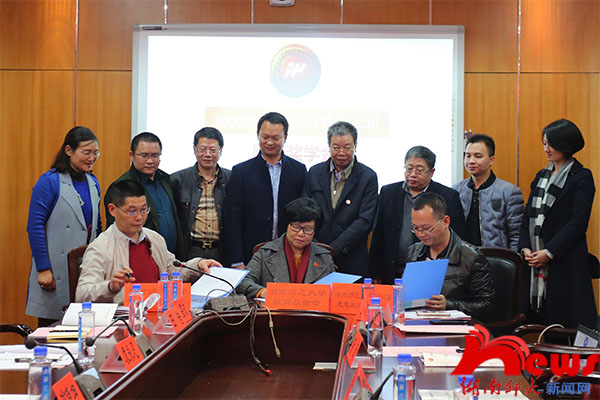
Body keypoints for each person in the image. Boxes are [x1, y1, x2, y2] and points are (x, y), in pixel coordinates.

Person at [76, 180, 221, 304]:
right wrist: (110, 287)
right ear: (112, 210)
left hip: (160, 314)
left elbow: (172, 272)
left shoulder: (154, 238)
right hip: (124, 319)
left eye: (144, 210)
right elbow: (82, 294)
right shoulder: (100, 247)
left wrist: (198, 265)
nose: (139, 217)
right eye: (132, 211)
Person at [519, 119, 597, 329]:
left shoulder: (581, 177)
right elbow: (527, 216)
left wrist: (549, 252)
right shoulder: (541, 176)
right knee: (534, 324)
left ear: (566, 143)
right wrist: (525, 248)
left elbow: (577, 223)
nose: (547, 148)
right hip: (534, 262)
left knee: (565, 326)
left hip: (566, 262)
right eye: (544, 143)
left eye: (551, 144)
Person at [26, 127, 102, 326]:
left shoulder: (93, 182)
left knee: (85, 328)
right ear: (69, 150)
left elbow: (97, 226)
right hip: (54, 270)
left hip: (84, 269)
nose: (92, 158)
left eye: (96, 153)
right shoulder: (50, 181)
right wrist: (43, 268)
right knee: (52, 331)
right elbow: (35, 226)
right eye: (86, 152)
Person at [370, 146, 466, 284]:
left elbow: (458, 237)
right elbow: (378, 234)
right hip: (391, 270)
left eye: (419, 170)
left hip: (430, 271)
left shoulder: (448, 196)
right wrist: (375, 271)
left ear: (431, 172)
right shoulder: (388, 192)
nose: (413, 174)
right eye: (409, 169)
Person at [224, 112, 307, 267]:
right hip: (250, 255)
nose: (270, 142)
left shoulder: (299, 170)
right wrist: (237, 261)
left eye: (276, 138)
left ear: (285, 137)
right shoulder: (241, 171)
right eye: (265, 137)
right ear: (258, 135)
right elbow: (233, 219)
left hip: (289, 254)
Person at [405, 192, 495, 320]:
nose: (420, 234)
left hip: (456, 326)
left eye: (426, 228)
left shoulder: (471, 257)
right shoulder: (414, 252)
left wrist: (448, 305)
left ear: (445, 222)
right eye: (416, 228)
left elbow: (486, 305)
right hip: (418, 322)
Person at [305, 121, 378, 276]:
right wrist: (317, 248)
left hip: (352, 258)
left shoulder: (368, 177)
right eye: (336, 147)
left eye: (347, 147)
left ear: (355, 146)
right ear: (329, 146)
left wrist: (333, 250)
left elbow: (365, 220)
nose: (341, 152)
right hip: (315, 256)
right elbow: (305, 210)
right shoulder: (314, 172)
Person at [236, 198, 335, 299]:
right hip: (274, 308)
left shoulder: (324, 257)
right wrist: (262, 292)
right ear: (287, 225)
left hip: (311, 308)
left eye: (308, 229)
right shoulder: (265, 253)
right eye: (296, 227)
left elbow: (334, 289)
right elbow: (243, 281)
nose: (301, 234)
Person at [104, 132, 183, 257]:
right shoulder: (121, 186)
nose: (150, 161)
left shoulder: (167, 180)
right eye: (144, 155)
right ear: (132, 156)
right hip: (139, 256)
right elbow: (114, 230)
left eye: (155, 156)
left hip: (171, 257)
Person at [453, 134, 524, 251]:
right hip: (463, 257)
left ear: (491, 160)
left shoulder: (509, 192)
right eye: (468, 156)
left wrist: (513, 260)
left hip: (495, 257)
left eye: (478, 156)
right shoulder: (456, 190)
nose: (471, 161)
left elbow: (516, 236)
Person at [171, 127, 230, 262]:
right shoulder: (177, 180)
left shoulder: (231, 179)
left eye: (213, 150)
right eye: (203, 149)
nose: (207, 154)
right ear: (194, 149)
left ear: (220, 151)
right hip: (190, 249)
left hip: (221, 250)